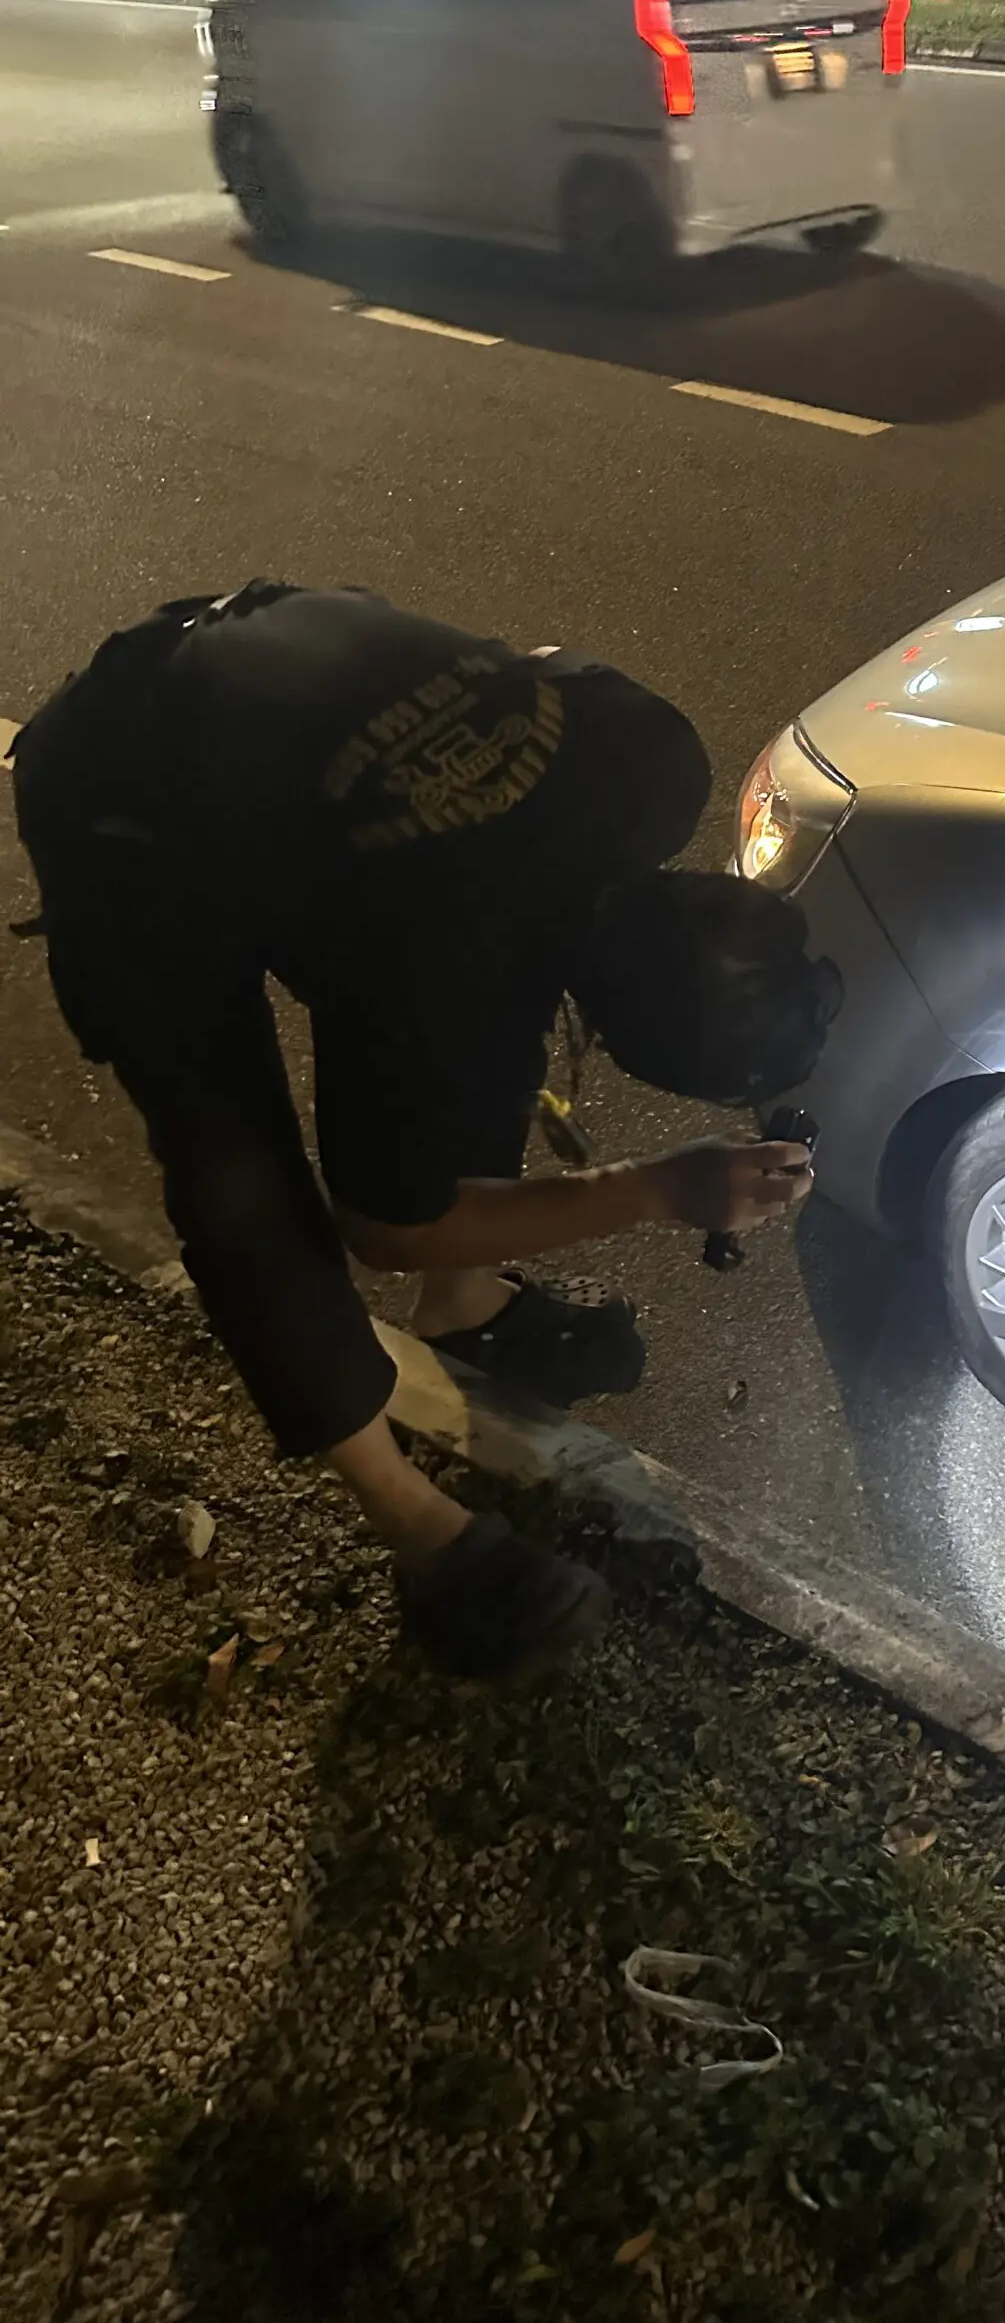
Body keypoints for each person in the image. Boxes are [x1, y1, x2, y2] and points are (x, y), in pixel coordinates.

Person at [12, 582, 837, 1684]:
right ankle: (431, 1542)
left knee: (472, 1029)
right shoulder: (441, 983)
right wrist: (665, 1186)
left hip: (263, 669)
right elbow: (392, 1224)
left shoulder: (652, 761)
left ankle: (470, 1314)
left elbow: (544, 661)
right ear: (606, 1037)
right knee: (235, 1167)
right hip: (127, 799)